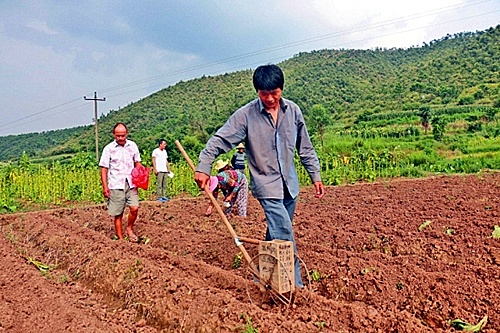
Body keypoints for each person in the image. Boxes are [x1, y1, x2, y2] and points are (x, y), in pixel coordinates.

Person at [194, 64, 325, 288]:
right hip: (266, 184)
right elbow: (220, 140)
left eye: (274, 93)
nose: (270, 99)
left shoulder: (293, 111)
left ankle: (261, 278)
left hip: (289, 186)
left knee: (274, 232)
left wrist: (315, 175)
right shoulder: (246, 115)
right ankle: (296, 287)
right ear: (257, 92)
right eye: (264, 94)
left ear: (281, 89)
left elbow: (306, 147)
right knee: (283, 231)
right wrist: (203, 166)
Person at [99, 122, 142, 242]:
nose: (121, 138)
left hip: (131, 183)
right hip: (116, 183)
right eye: (118, 136)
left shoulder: (132, 146)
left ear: (126, 134)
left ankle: (129, 229)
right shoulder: (109, 149)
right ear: (113, 135)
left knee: (134, 208)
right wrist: (105, 187)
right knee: (118, 213)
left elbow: (137, 162)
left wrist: (140, 176)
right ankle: (121, 239)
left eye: (123, 135)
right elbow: (104, 168)